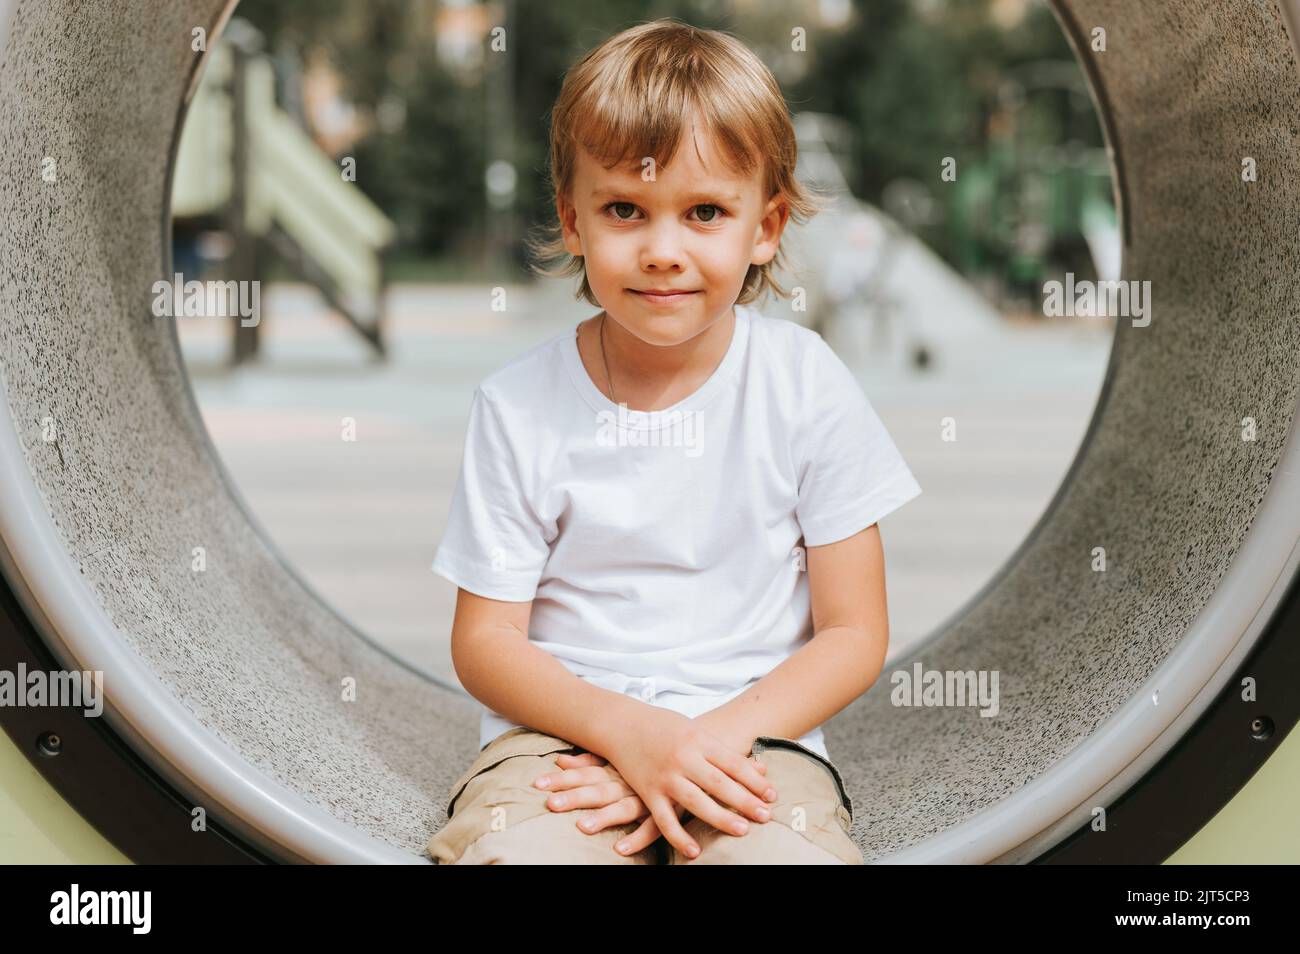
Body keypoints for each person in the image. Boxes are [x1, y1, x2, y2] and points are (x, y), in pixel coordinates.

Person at [427, 17, 921, 865]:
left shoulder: (806, 384)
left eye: (703, 212)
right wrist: (628, 733)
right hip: (559, 741)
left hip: (755, 739)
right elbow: (486, 641)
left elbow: (853, 633)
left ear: (764, 227)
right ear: (572, 220)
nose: (662, 251)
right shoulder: (518, 406)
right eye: (624, 209)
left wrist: (699, 743)